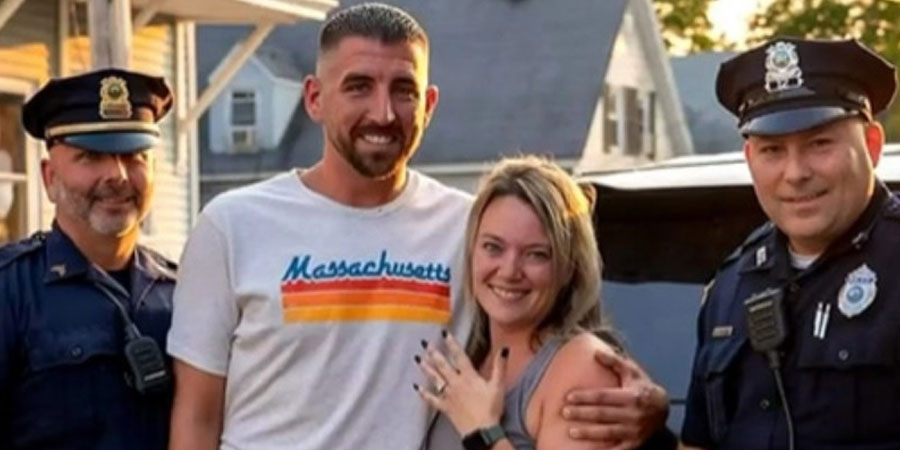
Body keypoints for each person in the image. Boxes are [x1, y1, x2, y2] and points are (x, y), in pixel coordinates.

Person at [168, 3, 670, 450]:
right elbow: (196, 418)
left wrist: (652, 408)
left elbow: (559, 335)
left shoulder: (473, 231)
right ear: (315, 98)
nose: (383, 113)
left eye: (403, 90)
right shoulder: (232, 226)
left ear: (428, 105)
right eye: (359, 87)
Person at [681, 37, 900, 449]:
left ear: (872, 146)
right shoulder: (731, 286)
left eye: (819, 144)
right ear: (750, 159)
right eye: (772, 150)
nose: (795, 173)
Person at [0, 68, 176, 449]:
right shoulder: (10, 291)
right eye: (91, 157)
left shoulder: (183, 291)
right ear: (49, 177)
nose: (117, 175)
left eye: (134, 156)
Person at [415, 156, 624, 450]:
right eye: (493, 247)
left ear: (569, 268)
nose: (509, 271)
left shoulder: (582, 366)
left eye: (536, 254)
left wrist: (483, 433)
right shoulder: (466, 350)